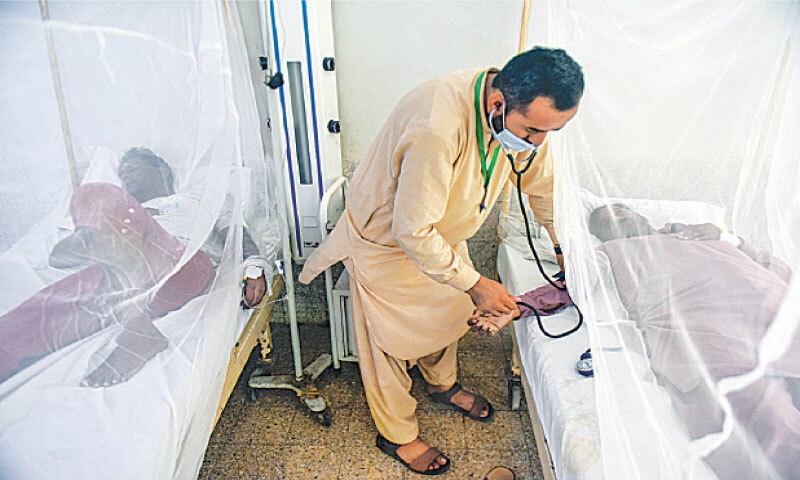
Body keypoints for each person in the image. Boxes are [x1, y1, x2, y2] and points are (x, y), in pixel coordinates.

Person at [298, 47, 584, 474]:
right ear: (497, 104)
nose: (538, 143)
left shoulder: (520, 122)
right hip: (387, 240)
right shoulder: (437, 124)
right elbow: (411, 230)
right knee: (388, 343)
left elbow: (541, 188)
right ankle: (397, 435)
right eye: (532, 131)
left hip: (442, 238)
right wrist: (476, 284)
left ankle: (442, 386)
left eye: (550, 132)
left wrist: (562, 246)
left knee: (445, 316)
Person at [0, 148, 268, 388]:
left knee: (98, 196)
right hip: (122, 285)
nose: (125, 176)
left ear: (161, 170)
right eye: (122, 172)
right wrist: (93, 233)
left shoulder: (198, 198)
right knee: (31, 316)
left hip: (184, 268)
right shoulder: (113, 213)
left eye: (133, 168)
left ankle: (138, 335)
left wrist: (253, 268)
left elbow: (235, 233)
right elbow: (57, 259)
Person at [588, 204, 798, 479]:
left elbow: (776, 267)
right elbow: (572, 286)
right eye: (605, 222)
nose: (619, 218)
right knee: (765, 411)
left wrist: (727, 237)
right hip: (708, 331)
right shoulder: (609, 255)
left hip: (772, 311)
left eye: (620, 210)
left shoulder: (700, 233)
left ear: (642, 215)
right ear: (601, 236)